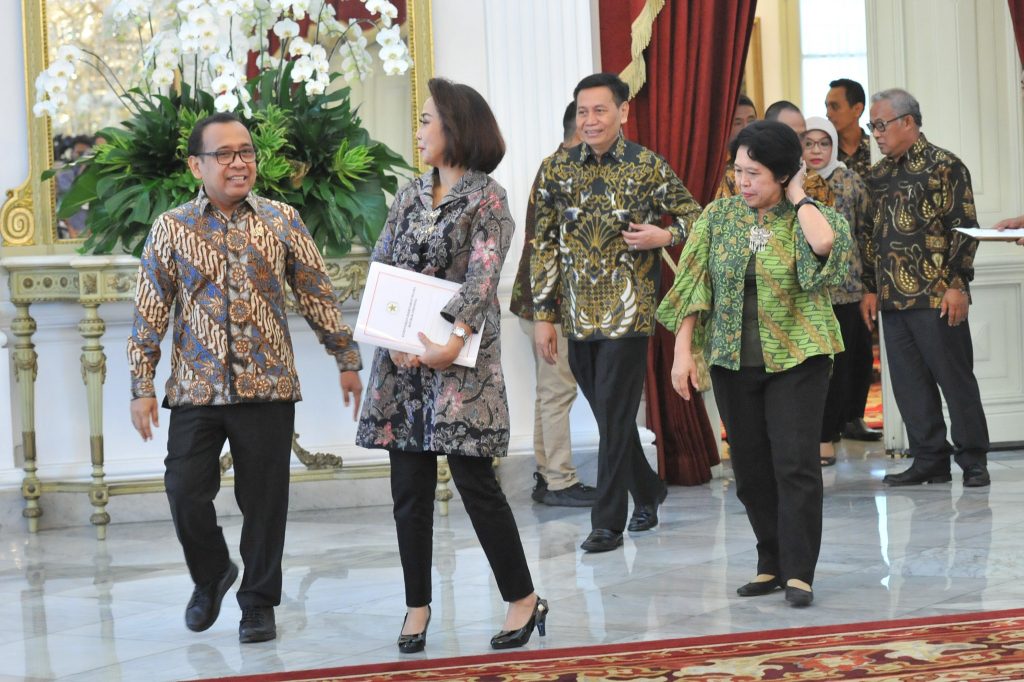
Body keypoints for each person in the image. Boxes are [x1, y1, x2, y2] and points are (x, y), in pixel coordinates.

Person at [127, 112, 364, 643]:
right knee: (184, 490)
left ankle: (258, 603)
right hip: (196, 388)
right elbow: (149, 311)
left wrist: (345, 357)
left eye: (246, 152)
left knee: (264, 502)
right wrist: (142, 386)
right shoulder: (171, 228)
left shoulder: (283, 220)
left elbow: (317, 294)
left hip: (268, 385)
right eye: (224, 154)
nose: (239, 163)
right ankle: (212, 572)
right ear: (197, 166)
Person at [355, 78, 546, 652]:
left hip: (461, 365)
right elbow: (383, 264)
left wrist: (453, 338)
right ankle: (417, 607)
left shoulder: (489, 198)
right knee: (408, 491)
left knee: (475, 484)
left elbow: (484, 279)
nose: (418, 132)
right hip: (403, 365)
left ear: (456, 127)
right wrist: (389, 336)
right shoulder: (410, 194)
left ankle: (523, 598)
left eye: (426, 121)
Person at [657, 120, 852, 607]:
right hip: (731, 359)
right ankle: (771, 561)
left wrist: (798, 194)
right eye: (738, 170)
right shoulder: (718, 217)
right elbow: (693, 283)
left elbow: (825, 247)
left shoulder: (812, 216)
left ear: (783, 174)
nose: (742, 182)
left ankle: (800, 572)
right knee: (749, 468)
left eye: (755, 173)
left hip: (799, 356)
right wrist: (683, 352)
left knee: (795, 464)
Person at [531, 72, 702, 553]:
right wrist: (544, 314)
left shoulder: (647, 166)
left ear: (623, 112)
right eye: (582, 112)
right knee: (612, 416)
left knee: (614, 411)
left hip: (630, 312)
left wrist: (664, 235)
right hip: (576, 315)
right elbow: (542, 244)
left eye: (599, 110)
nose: (589, 120)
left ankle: (607, 523)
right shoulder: (555, 170)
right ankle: (648, 489)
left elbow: (696, 216)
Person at [861, 88, 990, 488]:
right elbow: (867, 234)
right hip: (893, 300)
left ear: (908, 122)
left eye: (881, 125)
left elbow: (965, 229)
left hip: (938, 296)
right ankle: (930, 459)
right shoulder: (877, 176)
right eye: (872, 126)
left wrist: (957, 284)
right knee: (909, 385)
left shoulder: (945, 166)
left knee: (955, 380)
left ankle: (973, 460)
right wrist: (870, 287)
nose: (876, 134)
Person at [509, 102, 597, 507]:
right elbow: (553, 246)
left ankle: (549, 476)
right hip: (551, 303)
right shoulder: (564, 172)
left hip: (541, 301)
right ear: (580, 128)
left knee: (550, 391)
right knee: (558, 391)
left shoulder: (555, 166)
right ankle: (560, 480)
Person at [801, 117, 877, 466]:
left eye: (824, 143)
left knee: (843, 367)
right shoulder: (792, 182)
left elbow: (865, 234)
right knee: (811, 369)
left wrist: (869, 287)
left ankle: (830, 433)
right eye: (809, 143)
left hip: (846, 291)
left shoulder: (850, 181)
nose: (816, 150)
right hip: (805, 291)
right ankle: (812, 435)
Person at [825, 78, 872, 179]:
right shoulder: (824, 153)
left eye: (834, 106)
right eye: (827, 107)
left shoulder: (877, 149)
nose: (828, 114)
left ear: (857, 109)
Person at [715, 94, 759, 200]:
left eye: (751, 121)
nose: (746, 127)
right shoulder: (716, 167)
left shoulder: (766, 161)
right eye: (738, 123)